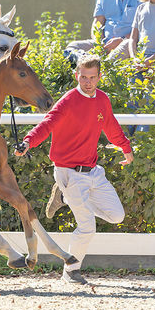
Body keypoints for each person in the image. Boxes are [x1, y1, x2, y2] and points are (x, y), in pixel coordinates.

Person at [15, 54, 134, 284]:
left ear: (99, 77)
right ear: (76, 75)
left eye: (92, 77)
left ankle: (65, 197)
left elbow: (111, 126)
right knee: (87, 227)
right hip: (69, 172)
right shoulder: (68, 100)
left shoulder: (102, 99)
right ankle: (71, 271)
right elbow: (47, 123)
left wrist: (126, 148)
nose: (88, 82)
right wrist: (28, 141)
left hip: (93, 172)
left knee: (117, 216)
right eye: (83, 77)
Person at [66, 0, 142, 60]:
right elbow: (97, 23)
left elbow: (148, 26)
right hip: (105, 44)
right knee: (73, 47)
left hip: (130, 42)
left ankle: (99, 67)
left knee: (125, 46)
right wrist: (99, 43)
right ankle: (91, 66)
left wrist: (122, 40)